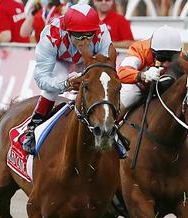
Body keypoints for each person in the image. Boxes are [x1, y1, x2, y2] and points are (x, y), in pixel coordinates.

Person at [22, 3, 121, 156]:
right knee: (57, 79)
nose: (85, 42)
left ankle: (112, 128)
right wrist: (66, 84)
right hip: (59, 60)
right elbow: (41, 79)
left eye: (89, 35)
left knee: (102, 84)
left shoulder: (102, 33)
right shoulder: (51, 34)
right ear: (67, 32)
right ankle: (34, 126)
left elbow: (105, 69)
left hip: (89, 62)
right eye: (79, 37)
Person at [117, 25, 182, 109]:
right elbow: (121, 73)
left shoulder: (181, 57)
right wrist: (143, 75)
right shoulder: (140, 49)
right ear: (152, 51)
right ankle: (115, 120)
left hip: (163, 85)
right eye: (162, 58)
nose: (166, 64)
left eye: (171, 59)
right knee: (130, 94)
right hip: (138, 84)